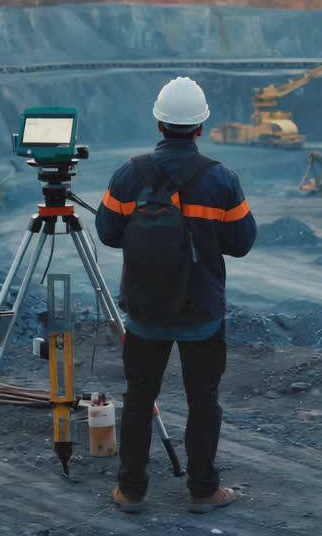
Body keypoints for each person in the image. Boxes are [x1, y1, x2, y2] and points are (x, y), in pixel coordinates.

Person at [95, 76, 257, 514]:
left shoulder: (129, 174)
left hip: (145, 313)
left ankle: (131, 490)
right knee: (203, 401)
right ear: (201, 127)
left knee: (138, 398)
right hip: (202, 314)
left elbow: (108, 233)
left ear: (159, 122)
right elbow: (242, 242)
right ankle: (203, 490)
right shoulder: (221, 179)